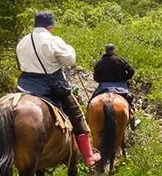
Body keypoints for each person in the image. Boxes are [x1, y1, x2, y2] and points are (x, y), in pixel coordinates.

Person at [16, 12, 99, 166]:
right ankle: (88, 156)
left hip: (26, 85)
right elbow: (70, 60)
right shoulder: (53, 40)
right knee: (76, 114)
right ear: (50, 26)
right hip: (51, 85)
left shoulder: (23, 42)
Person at [92, 44, 136, 127]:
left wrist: (102, 80)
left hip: (103, 87)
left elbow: (96, 78)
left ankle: (88, 119)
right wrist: (125, 79)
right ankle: (133, 120)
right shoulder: (120, 60)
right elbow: (131, 70)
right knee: (130, 103)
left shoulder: (99, 62)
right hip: (120, 87)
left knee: (91, 103)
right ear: (114, 50)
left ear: (106, 50)